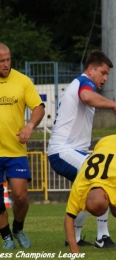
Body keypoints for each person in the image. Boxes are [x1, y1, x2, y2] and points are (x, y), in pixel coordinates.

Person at [48, 50, 116, 248]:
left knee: (86, 188)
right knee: (100, 175)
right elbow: (86, 96)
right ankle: (102, 237)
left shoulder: (82, 83)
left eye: (107, 74)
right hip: (62, 151)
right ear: (90, 69)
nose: (105, 78)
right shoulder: (86, 82)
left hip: (68, 151)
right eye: (103, 72)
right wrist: (113, 105)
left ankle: (73, 238)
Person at [64, 134, 116, 254]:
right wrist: (75, 251)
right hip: (103, 142)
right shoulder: (79, 186)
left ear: (106, 196)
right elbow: (68, 217)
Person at [0, 43, 45, 250]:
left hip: (15, 151)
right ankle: (6, 236)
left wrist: (29, 125)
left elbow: (38, 107)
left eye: (8, 59)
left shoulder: (22, 81)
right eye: (1, 61)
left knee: (20, 196)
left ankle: (18, 228)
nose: (6, 64)